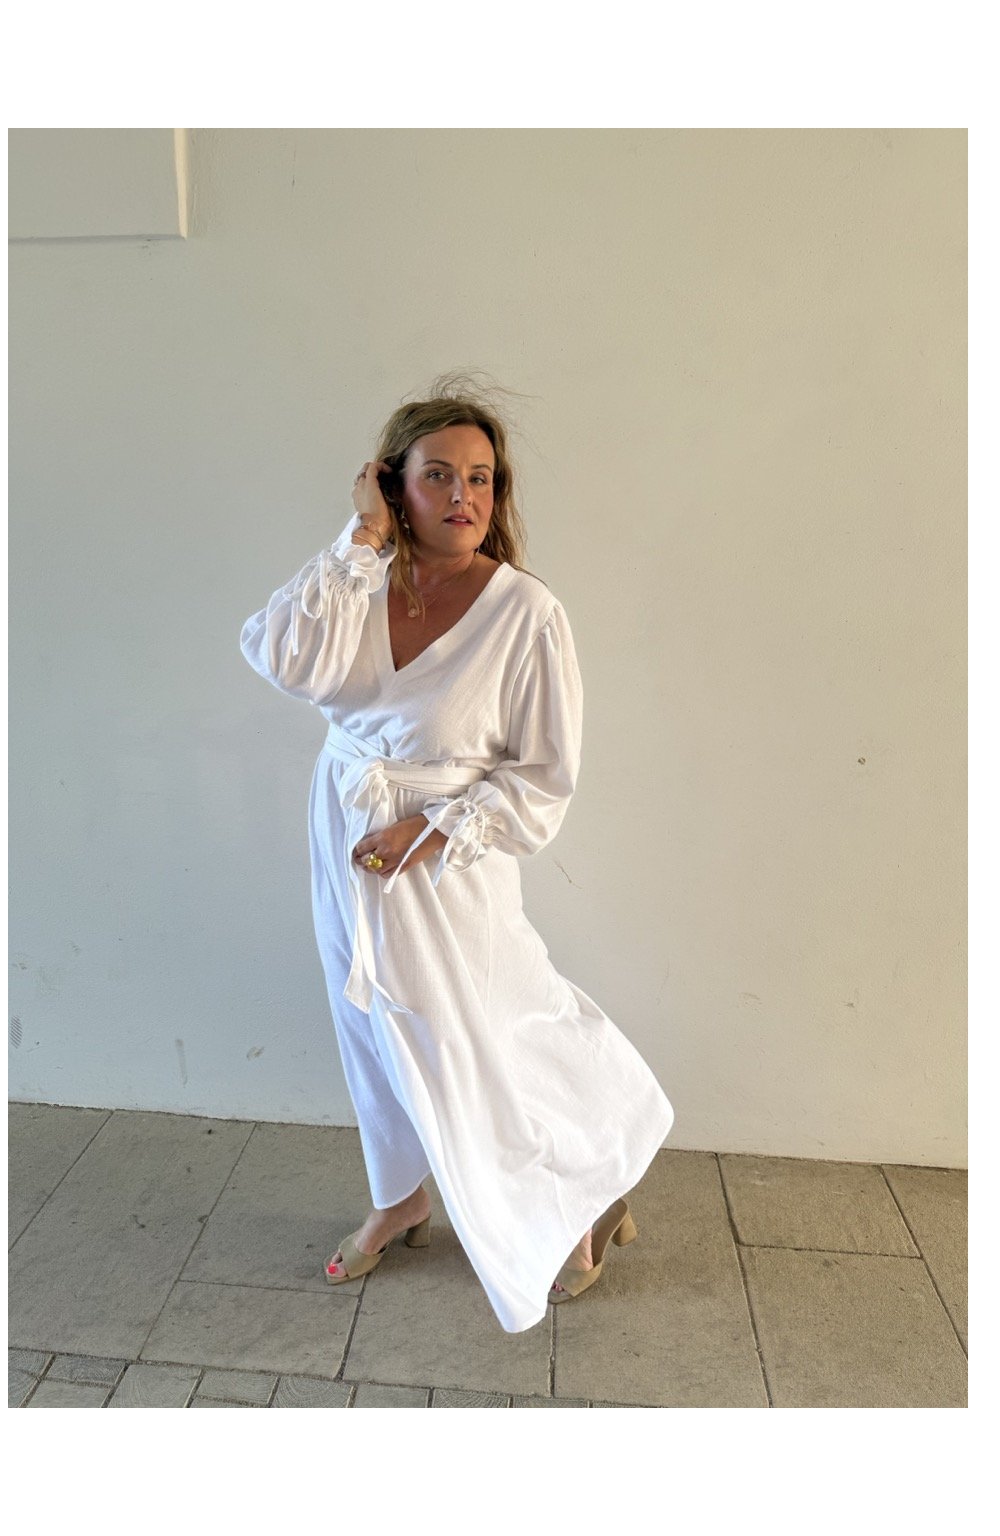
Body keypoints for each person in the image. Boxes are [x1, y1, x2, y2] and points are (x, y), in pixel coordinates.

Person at [240, 379, 674, 1333]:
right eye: (437, 475)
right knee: (370, 1026)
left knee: (497, 1026)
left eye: (480, 477)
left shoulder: (526, 615)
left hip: (447, 860)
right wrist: (361, 539)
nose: (463, 496)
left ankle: (586, 1189)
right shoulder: (359, 583)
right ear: (392, 484)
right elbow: (281, 658)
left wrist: (430, 830)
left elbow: (544, 776)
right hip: (346, 833)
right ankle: (400, 1197)